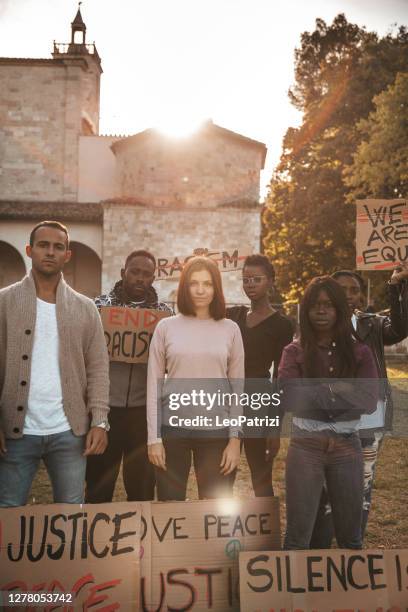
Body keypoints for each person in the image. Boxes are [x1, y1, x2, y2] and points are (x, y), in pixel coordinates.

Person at [0, 221, 109, 507]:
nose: (50, 252)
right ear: (29, 250)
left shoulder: (85, 308)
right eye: (43, 245)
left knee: (71, 512)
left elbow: (98, 369)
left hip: (68, 431)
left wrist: (99, 420)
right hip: (16, 431)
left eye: (58, 247)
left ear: (67, 255)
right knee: (8, 510)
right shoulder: (4, 302)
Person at [310, 264, 408, 547]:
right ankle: (318, 546)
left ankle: (352, 545)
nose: (350, 296)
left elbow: (401, 327)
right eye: (343, 290)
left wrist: (395, 286)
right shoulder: (316, 325)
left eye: (355, 291)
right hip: (330, 421)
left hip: (369, 421)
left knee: (362, 487)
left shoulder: (372, 324)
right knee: (325, 488)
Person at [278, 276, 378, 549]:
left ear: (339, 310)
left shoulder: (360, 352)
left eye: (329, 305)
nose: (321, 311)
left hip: (347, 446)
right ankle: (294, 593)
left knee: (351, 537)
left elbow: (369, 400)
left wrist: (314, 390)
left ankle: (350, 592)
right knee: (297, 536)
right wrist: (340, 387)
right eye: (315, 305)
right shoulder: (294, 351)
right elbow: (288, 397)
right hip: (305, 446)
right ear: (305, 310)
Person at [146, 256, 244, 501]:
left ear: (216, 288)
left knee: (214, 509)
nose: (200, 290)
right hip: (172, 432)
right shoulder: (166, 327)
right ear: (184, 287)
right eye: (194, 283)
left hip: (216, 433)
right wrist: (153, 439)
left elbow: (238, 389)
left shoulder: (230, 328)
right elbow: (153, 386)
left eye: (208, 284)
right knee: (170, 507)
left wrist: (234, 441)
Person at [85, 250, 173, 503]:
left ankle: (140, 541)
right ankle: (95, 540)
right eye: (135, 272)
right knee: (98, 485)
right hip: (105, 411)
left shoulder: (164, 316)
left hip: (142, 413)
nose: (139, 278)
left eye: (146, 274)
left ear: (153, 278)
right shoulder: (99, 308)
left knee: (142, 486)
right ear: (124, 272)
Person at [227, 254, 293, 496]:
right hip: (228, 403)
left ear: (271, 281)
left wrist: (274, 427)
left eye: (257, 279)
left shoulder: (282, 325)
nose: (250, 284)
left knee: (261, 478)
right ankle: (219, 531)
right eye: (246, 279)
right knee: (223, 476)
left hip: (259, 404)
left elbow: (280, 378)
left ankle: (266, 534)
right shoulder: (232, 316)